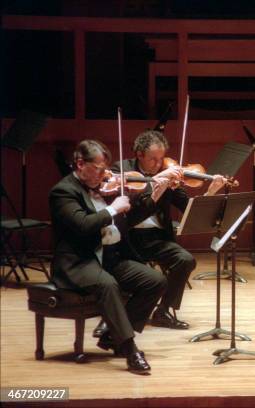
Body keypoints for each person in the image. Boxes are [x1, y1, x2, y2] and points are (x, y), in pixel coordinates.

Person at [92, 130, 225, 337]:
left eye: (161, 158)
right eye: (153, 159)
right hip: (127, 239)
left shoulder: (169, 173)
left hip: (157, 238)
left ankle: (163, 311)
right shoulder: (121, 171)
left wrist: (211, 192)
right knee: (127, 273)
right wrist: (156, 185)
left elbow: (188, 208)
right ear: (139, 155)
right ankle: (111, 317)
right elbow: (131, 216)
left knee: (185, 260)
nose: (158, 164)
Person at [49, 140, 167, 373]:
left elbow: (129, 220)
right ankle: (130, 350)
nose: (105, 175)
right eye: (99, 169)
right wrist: (113, 208)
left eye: (106, 169)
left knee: (155, 281)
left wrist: (154, 194)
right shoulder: (63, 191)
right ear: (80, 164)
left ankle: (113, 337)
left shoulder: (106, 188)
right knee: (108, 284)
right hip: (79, 261)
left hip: (110, 258)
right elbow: (83, 225)